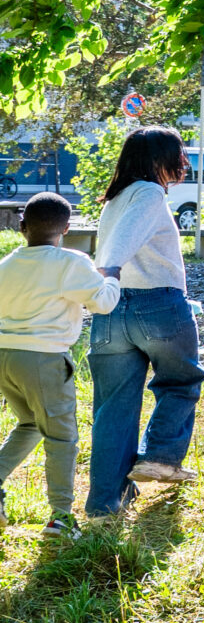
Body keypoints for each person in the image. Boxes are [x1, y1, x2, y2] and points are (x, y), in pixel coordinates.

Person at [88, 125, 204, 516]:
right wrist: (111, 271)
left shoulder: (115, 197)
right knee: (182, 380)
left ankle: (106, 504)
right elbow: (122, 244)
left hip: (110, 310)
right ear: (159, 159)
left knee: (113, 407)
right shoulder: (150, 193)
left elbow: (114, 241)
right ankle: (160, 455)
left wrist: (101, 289)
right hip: (156, 302)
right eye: (177, 155)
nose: (181, 163)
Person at [0, 192, 117, 537]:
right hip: (44, 357)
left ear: (21, 227)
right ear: (66, 228)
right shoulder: (71, 261)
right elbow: (104, 303)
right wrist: (110, 277)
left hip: (4, 356)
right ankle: (61, 517)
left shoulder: (6, 264)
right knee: (62, 437)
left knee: (30, 424)